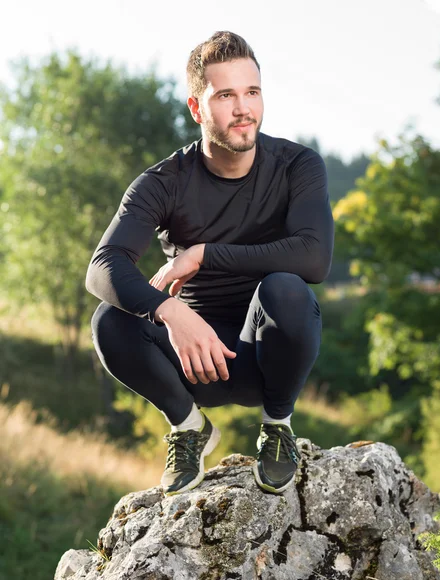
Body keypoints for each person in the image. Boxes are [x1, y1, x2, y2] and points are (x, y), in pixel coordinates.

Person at [86, 31, 334, 497]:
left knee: (288, 288)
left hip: (265, 353)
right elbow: (103, 266)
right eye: (226, 95)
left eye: (252, 92)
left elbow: (314, 257)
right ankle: (188, 426)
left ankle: (277, 427)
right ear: (197, 108)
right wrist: (171, 311)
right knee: (109, 319)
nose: (244, 109)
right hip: (193, 360)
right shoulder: (163, 182)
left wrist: (205, 253)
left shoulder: (297, 165)